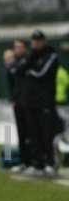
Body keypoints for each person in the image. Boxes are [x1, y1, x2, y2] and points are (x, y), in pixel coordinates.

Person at [24, 30, 60, 177]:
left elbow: (41, 73)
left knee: (47, 133)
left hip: (46, 101)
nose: (36, 43)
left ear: (44, 41)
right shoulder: (32, 55)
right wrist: (29, 67)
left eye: (39, 40)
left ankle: (50, 163)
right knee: (34, 133)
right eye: (34, 40)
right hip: (32, 101)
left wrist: (30, 70)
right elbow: (21, 70)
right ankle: (38, 164)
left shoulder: (51, 55)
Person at [6, 40, 33, 173]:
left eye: (19, 47)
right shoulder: (14, 63)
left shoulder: (28, 60)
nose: (16, 49)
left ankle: (34, 162)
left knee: (31, 133)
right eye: (15, 47)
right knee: (22, 133)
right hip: (18, 102)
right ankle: (24, 162)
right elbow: (12, 82)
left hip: (29, 102)